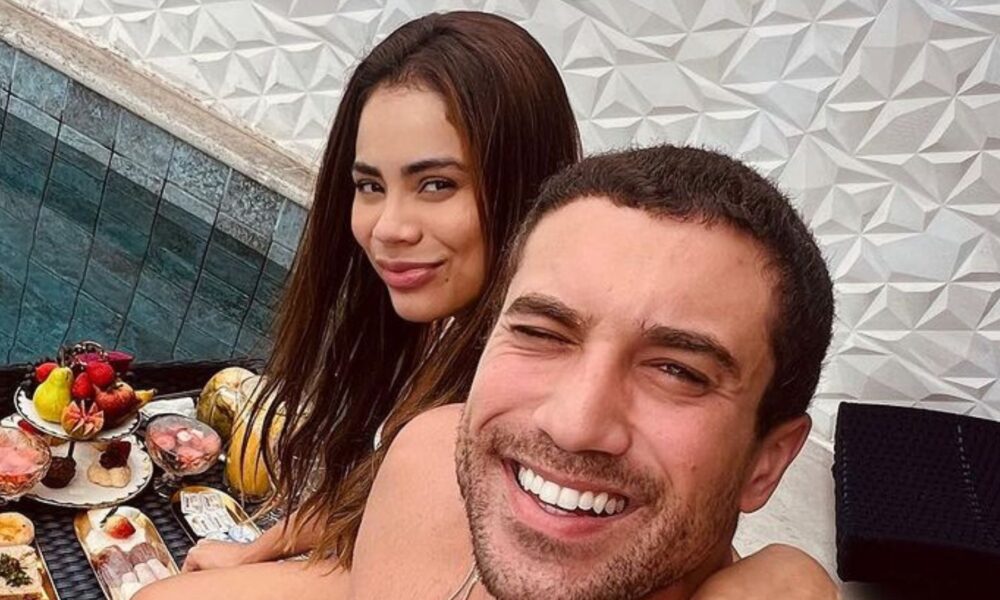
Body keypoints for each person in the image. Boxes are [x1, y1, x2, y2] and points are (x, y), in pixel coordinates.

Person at [138, 14, 832, 600]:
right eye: (370, 185)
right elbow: (387, 498)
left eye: (436, 184)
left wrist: (790, 579)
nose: (389, 228)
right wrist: (263, 548)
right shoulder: (440, 388)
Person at [348, 145, 840, 599]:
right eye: (540, 333)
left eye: (677, 371)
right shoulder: (424, 462)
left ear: (767, 462)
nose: (575, 425)